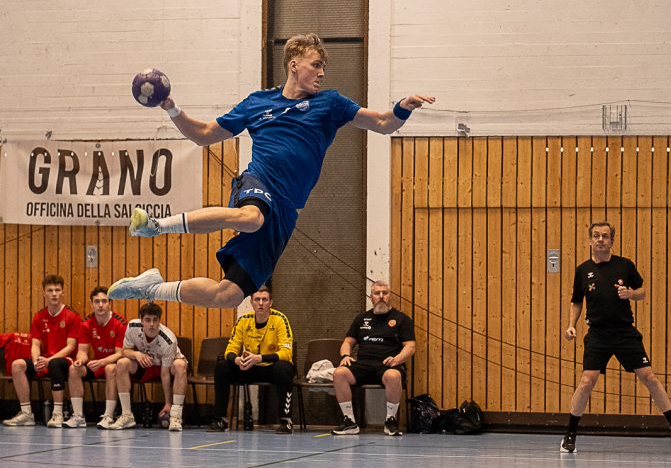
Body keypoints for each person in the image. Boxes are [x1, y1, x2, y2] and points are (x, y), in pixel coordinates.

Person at [108, 33, 435, 309]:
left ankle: (151, 288)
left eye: (323, 67)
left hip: (285, 211)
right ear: (294, 65)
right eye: (316, 65)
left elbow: (382, 123)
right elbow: (204, 134)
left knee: (228, 296)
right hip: (259, 182)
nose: (322, 73)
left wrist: (402, 107)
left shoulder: (330, 104)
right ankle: (156, 225)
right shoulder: (257, 103)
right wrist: (171, 107)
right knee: (251, 218)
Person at [561, 221, 671, 453]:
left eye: (605, 236)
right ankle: (570, 434)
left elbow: (642, 292)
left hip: (625, 333)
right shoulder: (582, 270)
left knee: (649, 377)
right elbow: (576, 301)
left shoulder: (625, 265)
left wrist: (631, 294)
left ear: (612, 241)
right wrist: (571, 325)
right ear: (590, 240)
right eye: (596, 236)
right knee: (587, 381)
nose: (600, 240)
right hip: (598, 334)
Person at [332, 280, 415, 436]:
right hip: (363, 364)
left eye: (385, 293)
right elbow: (347, 342)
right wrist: (345, 355)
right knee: (339, 373)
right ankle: (349, 422)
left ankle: (390, 421)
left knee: (393, 376)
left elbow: (410, 347)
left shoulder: (402, 319)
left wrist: (397, 359)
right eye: (377, 293)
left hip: (387, 365)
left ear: (390, 296)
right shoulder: (361, 319)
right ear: (371, 297)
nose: (381, 296)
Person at [209, 286, 295, 434]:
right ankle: (220, 419)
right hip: (249, 367)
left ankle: (285, 420)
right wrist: (237, 360)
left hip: (271, 368)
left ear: (270, 302)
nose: (261, 303)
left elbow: (287, 353)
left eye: (264, 299)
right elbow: (230, 350)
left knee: (284, 368)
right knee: (222, 366)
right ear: (251, 302)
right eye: (257, 299)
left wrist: (259, 358)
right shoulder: (243, 320)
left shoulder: (280, 319)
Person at [2, 275, 81, 427]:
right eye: (50, 290)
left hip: (66, 361)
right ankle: (26, 413)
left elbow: (71, 347)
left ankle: (57, 413)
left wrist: (49, 360)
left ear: (63, 292)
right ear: (44, 293)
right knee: (17, 365)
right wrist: (36, 361)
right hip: (45, 359)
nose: (54, 294)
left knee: (55, 364)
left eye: (57, 290)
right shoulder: (39, 316)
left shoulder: (72, 316)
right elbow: (35, 344)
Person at [110, 303, 188, 431]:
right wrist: (137, 354)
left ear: (159, 321)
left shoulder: (169, 340)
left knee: (180, 365)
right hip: (146, 364)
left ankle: (176, 416)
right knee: (122, 363)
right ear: (141, 320)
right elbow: (125, 351)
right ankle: (127, 415)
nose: (151, 324)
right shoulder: (132, 326)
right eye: (147, 320)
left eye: (155, 320)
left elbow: (165, 374)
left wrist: (168, 403)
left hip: (167, 367)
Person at [66, 286, 127, 429]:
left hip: (116, 365)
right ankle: (78, 416)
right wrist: (80, 360)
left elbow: (120, 353)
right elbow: (82, 351)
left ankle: (108, 416)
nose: (100, 305)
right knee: (73, 369)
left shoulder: (120, 323)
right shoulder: (86, 323)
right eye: (97, 301)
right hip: (98, 364)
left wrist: (102, 362)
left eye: (104, 301)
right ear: (91, 303)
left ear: (110, 303)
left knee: (110, 368)